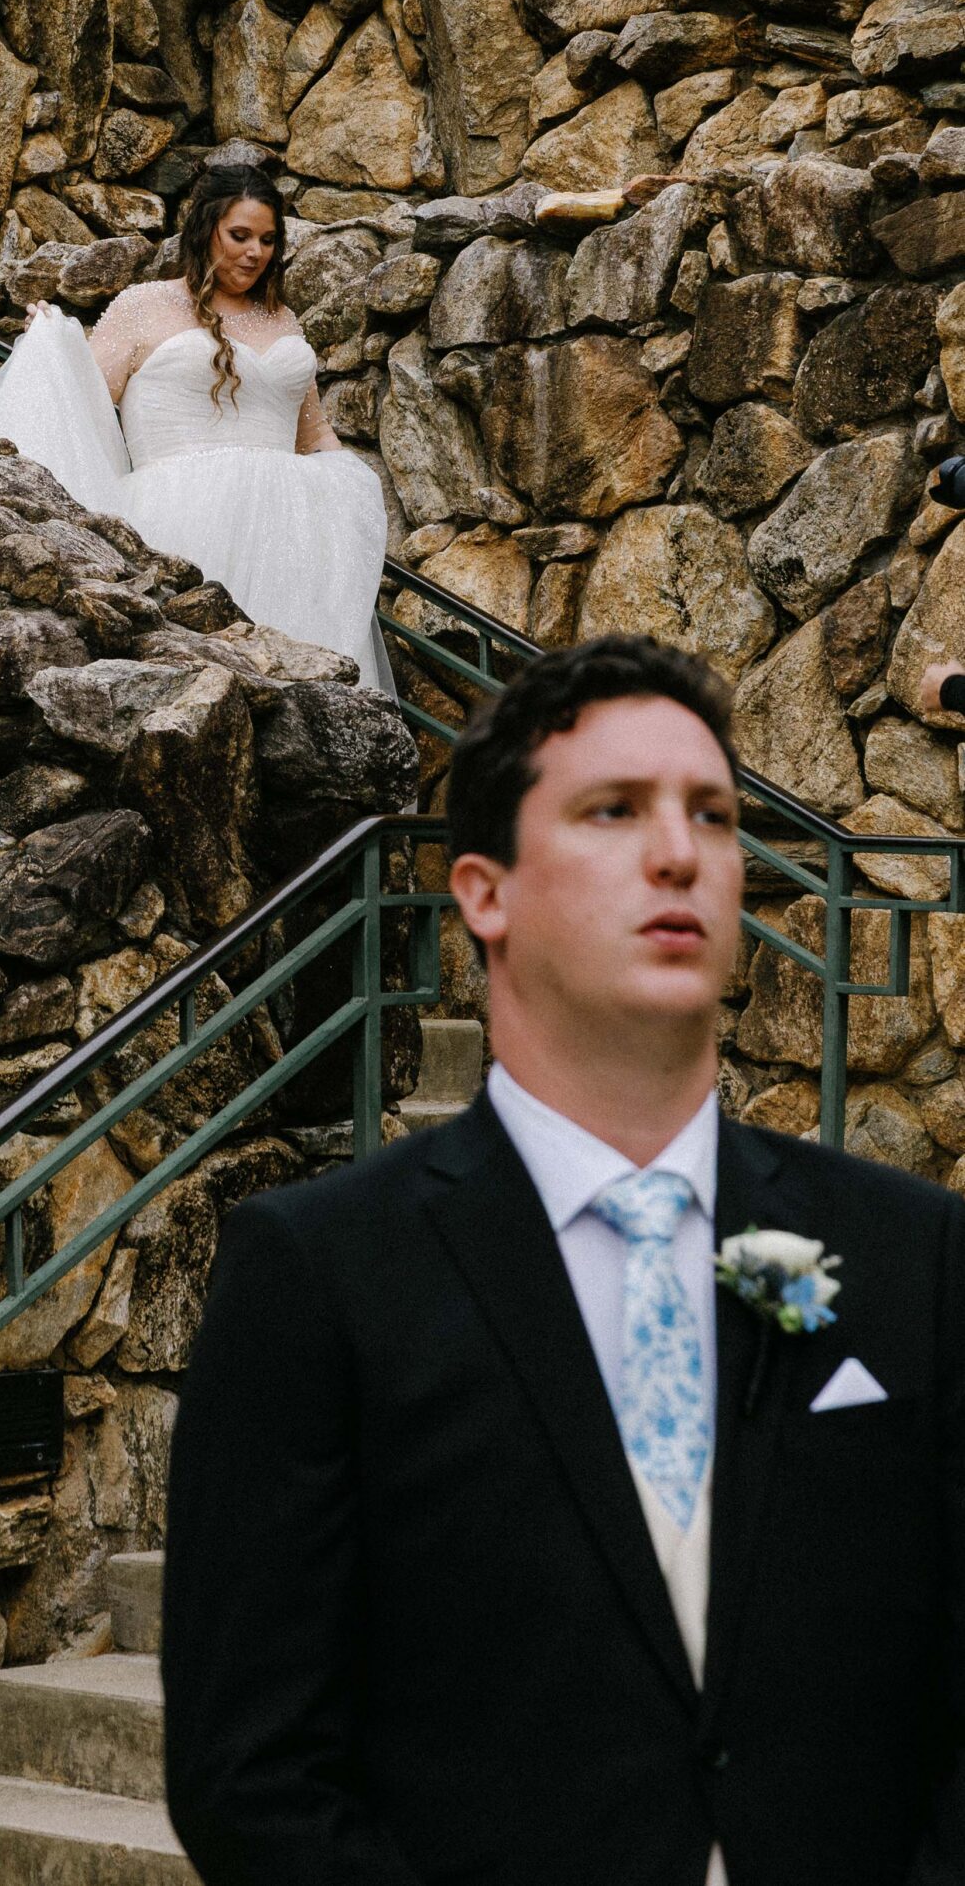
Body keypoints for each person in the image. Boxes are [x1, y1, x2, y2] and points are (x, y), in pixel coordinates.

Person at [161, 632, 965, 1886]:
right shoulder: (317, 1276)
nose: (679, 851)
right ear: (483, 891)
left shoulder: (915, 1256)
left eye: (711, 812)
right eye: (613, 809)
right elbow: (249, 1774)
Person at [0, 163, 393, 690]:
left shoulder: (283, 319)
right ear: (204, 228)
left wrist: (349, 489)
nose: (255, 253)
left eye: (266, 240)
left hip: (290, 532)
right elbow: (86, 401)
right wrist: (53, 347)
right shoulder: (145, 306)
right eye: (239, 236)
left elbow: (312, 432)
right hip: (184, 516)